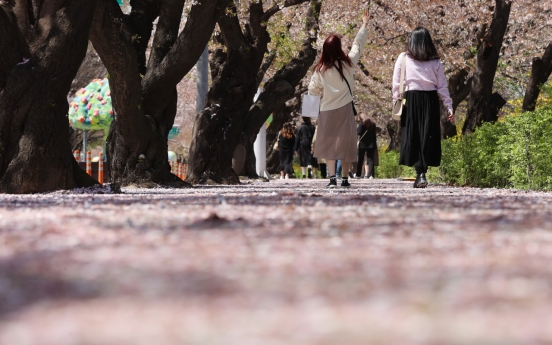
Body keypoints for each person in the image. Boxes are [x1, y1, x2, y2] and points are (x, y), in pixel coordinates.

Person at [309, 8, 370, 188]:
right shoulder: (348, 64)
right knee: (345, 144)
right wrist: (364, 25)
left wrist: (311, 112)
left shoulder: (320, 69)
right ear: (339, 48)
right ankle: (344, 178)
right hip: (345, 110)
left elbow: (312, 89)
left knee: (329, 145)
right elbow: (358, 46)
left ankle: (331, 179)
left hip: (326, 110)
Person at [392, 26, 454, 188]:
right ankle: (421, 173)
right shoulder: (434, 61)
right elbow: (442, 86)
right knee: (426, 136)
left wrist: (395, 102)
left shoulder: (405, 58)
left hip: (412, 100)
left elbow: (396, 83)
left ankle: (420, 173)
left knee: (418, 136)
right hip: (429, 100)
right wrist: (448, 105)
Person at [356, 113, 377, 179]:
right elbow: (374, 135)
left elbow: (359, 133)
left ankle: (358, 174)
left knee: (360, 159)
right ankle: (371, 175)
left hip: (363, 144)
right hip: (371, 144)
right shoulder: (373, 124)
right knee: (370, 159)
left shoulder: (361, 124)